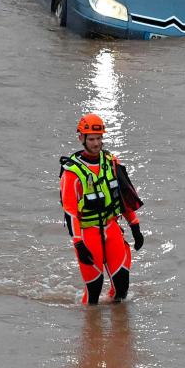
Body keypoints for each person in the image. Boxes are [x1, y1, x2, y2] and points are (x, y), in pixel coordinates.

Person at [60, 113, 144, 305]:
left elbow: (123, 197)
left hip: (111, 229)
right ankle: (91, 330)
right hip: (88, 235)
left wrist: (135, 225)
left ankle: (119, 330)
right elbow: (70, 212)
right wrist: (78, 244)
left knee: (122, 288)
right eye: (91, 139)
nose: (96, 143)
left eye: (99, 138)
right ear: (81, 138)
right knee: (94, 292)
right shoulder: (72, 173)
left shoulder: (112, 162)